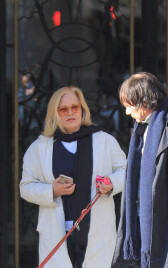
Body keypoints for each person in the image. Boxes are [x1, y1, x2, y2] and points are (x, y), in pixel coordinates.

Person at [20, 86, 127, 268]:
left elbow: (126, 171)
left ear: (82, 109)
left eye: (75, 107)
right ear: (55, 113)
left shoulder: (104, 141)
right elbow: (25, 187)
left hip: (96, 232)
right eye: (64, 109)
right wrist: (51, 190)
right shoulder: (40, 147)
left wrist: (111, 184)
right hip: (57, 233)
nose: (70, 112)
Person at [112, 72, 168, 268]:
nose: (127, 113)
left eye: (129, 106)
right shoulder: (141, 130)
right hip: (140, 228)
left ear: (143, 101)